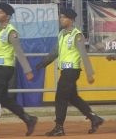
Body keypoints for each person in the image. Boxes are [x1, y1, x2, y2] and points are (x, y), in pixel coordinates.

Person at [36, 7, 104, 136]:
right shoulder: (62, 34)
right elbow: (56, 52)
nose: (61, 19)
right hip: (66, 71)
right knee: (74, 98)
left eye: (63, 17)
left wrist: (89, 73)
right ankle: (94, 118)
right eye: (60, 17)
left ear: (71, 20)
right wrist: (43, 63)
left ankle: (59, 127)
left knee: (60, 97)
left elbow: (83, 54)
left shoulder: (77, 35)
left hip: (71, 71)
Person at [0, 2, 38, 139]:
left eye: (1, 12)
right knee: (3, 99)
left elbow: (19, 51)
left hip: (5, 68)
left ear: (8, 16)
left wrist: (27, 70)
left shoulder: (11, 31)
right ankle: (28, 119)